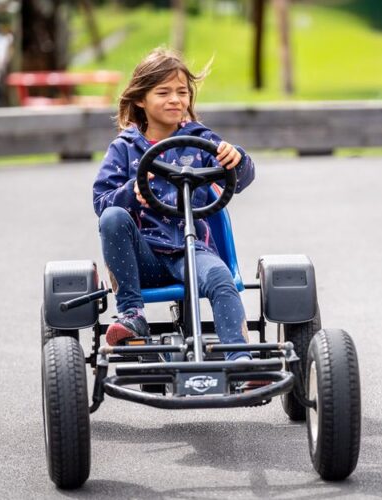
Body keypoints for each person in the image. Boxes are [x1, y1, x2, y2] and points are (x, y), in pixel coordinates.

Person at [92, 48, 255, 361]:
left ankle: (239, 358)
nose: (175, 100)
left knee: (221, 279)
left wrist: (238, 159)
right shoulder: (125, 148)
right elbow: (101, 201)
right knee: (113, 216)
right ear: (141, 99)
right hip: (144, 259)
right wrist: (131, 193)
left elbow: (242, 178)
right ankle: (132, 314)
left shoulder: (199, 139)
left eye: (182, 92)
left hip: (191, 249)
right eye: (163, 92)